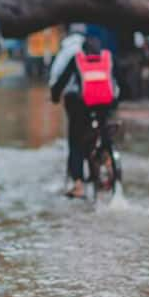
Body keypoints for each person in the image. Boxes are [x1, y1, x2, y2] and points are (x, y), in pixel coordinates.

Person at [49, 35, 118, 198]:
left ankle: (78, 185)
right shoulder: (108, 59)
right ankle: (108, 161)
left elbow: (60, 82)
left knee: (75, 143)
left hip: (80, 106)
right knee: (104, 131)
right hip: (105, 105)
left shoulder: (77, 59)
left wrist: (54, 97)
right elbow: (119, 82)